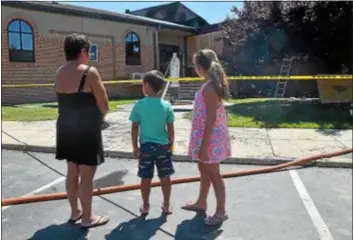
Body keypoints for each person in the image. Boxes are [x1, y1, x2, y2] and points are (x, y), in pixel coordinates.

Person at [55, 33, 110, 229]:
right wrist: (101, 117)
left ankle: (75, 212)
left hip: (66, 128)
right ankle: (87, 218)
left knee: (72, 172)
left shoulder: (60, 72)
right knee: (86, 176)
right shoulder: (90, 72)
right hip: (86, 129)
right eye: (88, 51)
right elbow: (104, 106)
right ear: (83, 51)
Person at [182, 49, 231, 226]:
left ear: (200, 67)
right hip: (204, 135)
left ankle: (221, 211)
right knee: (203, 169)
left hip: (210, 138)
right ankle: (201, 202)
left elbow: (211, 119)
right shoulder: (208, 85)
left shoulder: (210, 87)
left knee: (214, 174)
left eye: (195, 64)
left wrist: (204, 145)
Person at [129, 70, 175, 215]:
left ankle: (146, 205)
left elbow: (134, 127)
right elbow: (171, 129)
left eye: (143, 84)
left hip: (146, 147)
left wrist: (135, 147)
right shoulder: (166, 105)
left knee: (145, 177)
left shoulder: (139, 105)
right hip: (163, 147)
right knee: (165, 176)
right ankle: (166, 205)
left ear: (147, 85)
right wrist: (171, 145)